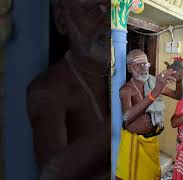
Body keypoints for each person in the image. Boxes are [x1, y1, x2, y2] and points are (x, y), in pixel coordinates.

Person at [26, 0, 109, 179]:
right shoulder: (48, 89)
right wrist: (122, 119)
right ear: (62, 20)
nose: (109, 20)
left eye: (112, 9)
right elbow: (51, 175)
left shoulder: (115, 77)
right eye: (92, 9)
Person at [115, 49, 183, 180]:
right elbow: (126, 117)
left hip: (151, 140)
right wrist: (155, 92)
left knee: (151, 176)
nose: (143, 68)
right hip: (133, 143)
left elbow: (177, 95)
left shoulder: (153, 82)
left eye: (145, 64)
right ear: (130, 68)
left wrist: (179, 80)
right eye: (138, 64)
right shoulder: (126, 90)